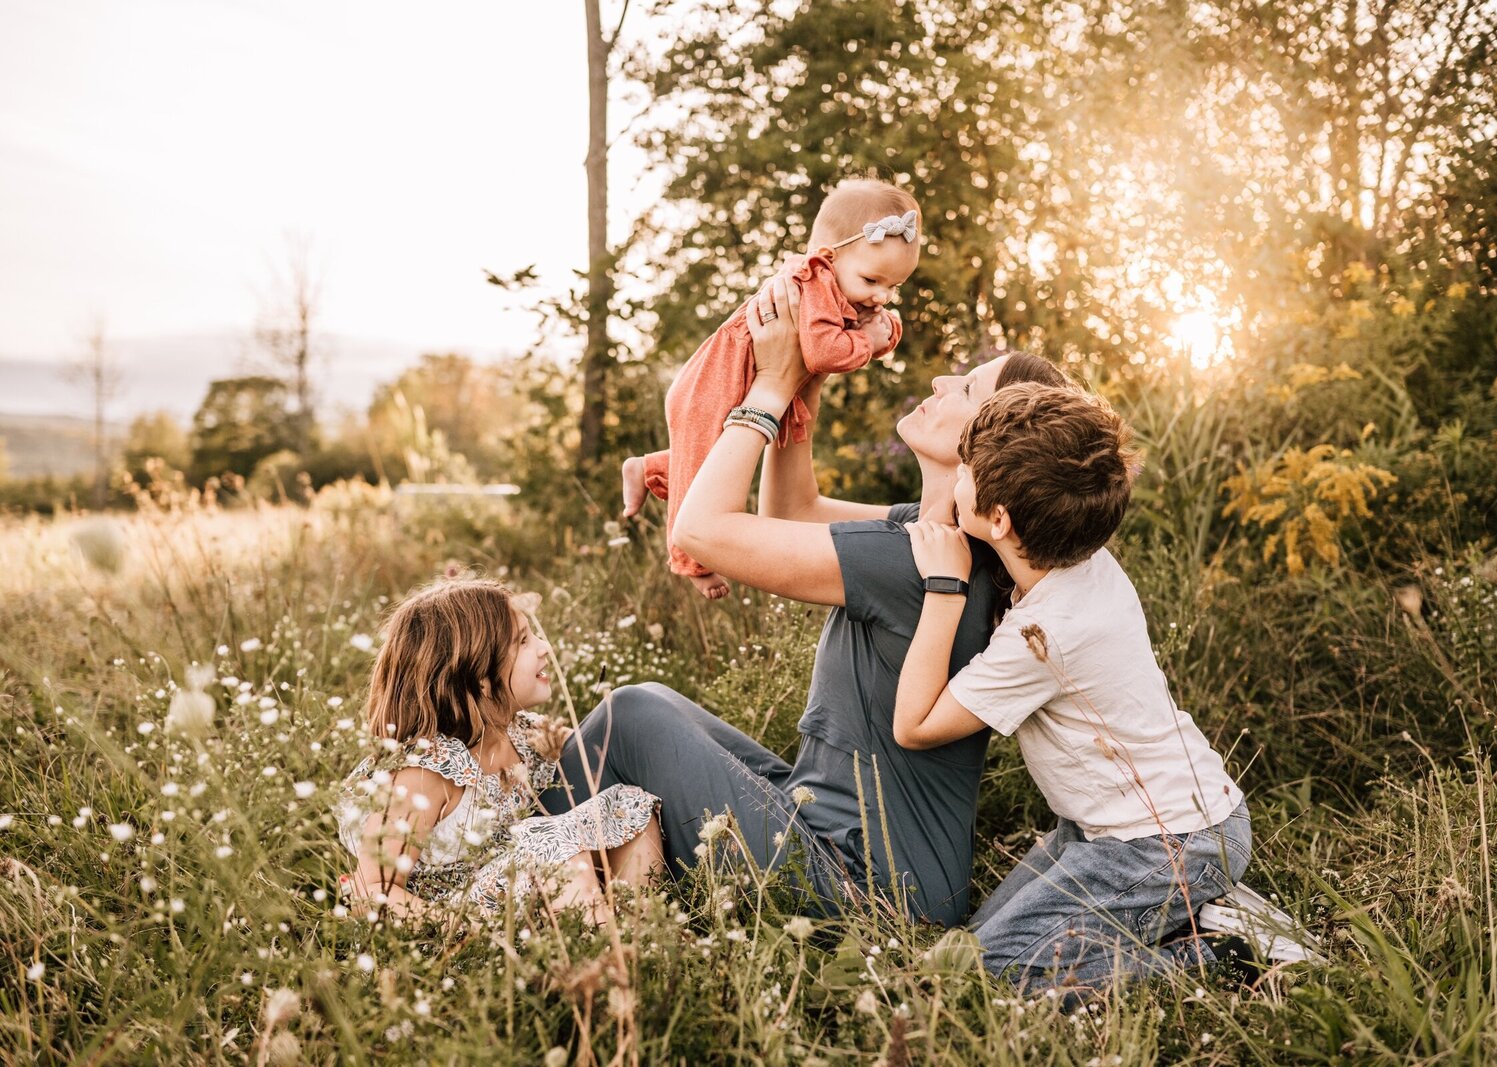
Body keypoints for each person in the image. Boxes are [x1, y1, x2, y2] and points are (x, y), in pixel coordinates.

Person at [541, 274, 1067, 926]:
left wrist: (770, 385)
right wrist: (808, 379)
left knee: (632, 714)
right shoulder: (938, 539)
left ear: (984, 446)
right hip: (857, 847)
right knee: (663, 708)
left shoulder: (913, 559)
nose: (938, 383)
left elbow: (700, 530)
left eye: (964, 389)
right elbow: (793, 510)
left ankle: (513, 873)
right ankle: (582, 872)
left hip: (859, 887)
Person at [891, 382, 1249, 998]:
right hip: (1129, 828)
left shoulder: (1046, 631)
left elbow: (915, 727)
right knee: (970, 948)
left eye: (967, 471)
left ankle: (1215, 956)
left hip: (1162, 845)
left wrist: (944, 588)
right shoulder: (1081, 552)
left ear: (999, 519)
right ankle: (1171, 916)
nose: (960, 475)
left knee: (992, 978)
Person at [621, 178, 919, 600]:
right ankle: (691, 561)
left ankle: (648, 468)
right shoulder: (813, 286)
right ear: (827, 258)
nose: (882, 296)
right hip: (710, 385)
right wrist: (870, 341)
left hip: (732, 386)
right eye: (873, 280)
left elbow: (849, 339)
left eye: (894, 287)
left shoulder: (840, 290)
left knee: (705, 460)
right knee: (698, 476)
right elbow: (822, 354)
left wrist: (882, 333)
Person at [336, 578, 663, 925]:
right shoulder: (425, 773)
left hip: (525, 892)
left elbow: (590, 752)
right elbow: (370, 888)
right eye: (523, 641)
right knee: (553, 846)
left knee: (628, 806)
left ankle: (635, 934)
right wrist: (463, 932)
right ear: (480, 677)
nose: (544, 647)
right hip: (462, 922)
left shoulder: (522, 733)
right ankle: (601, 954)